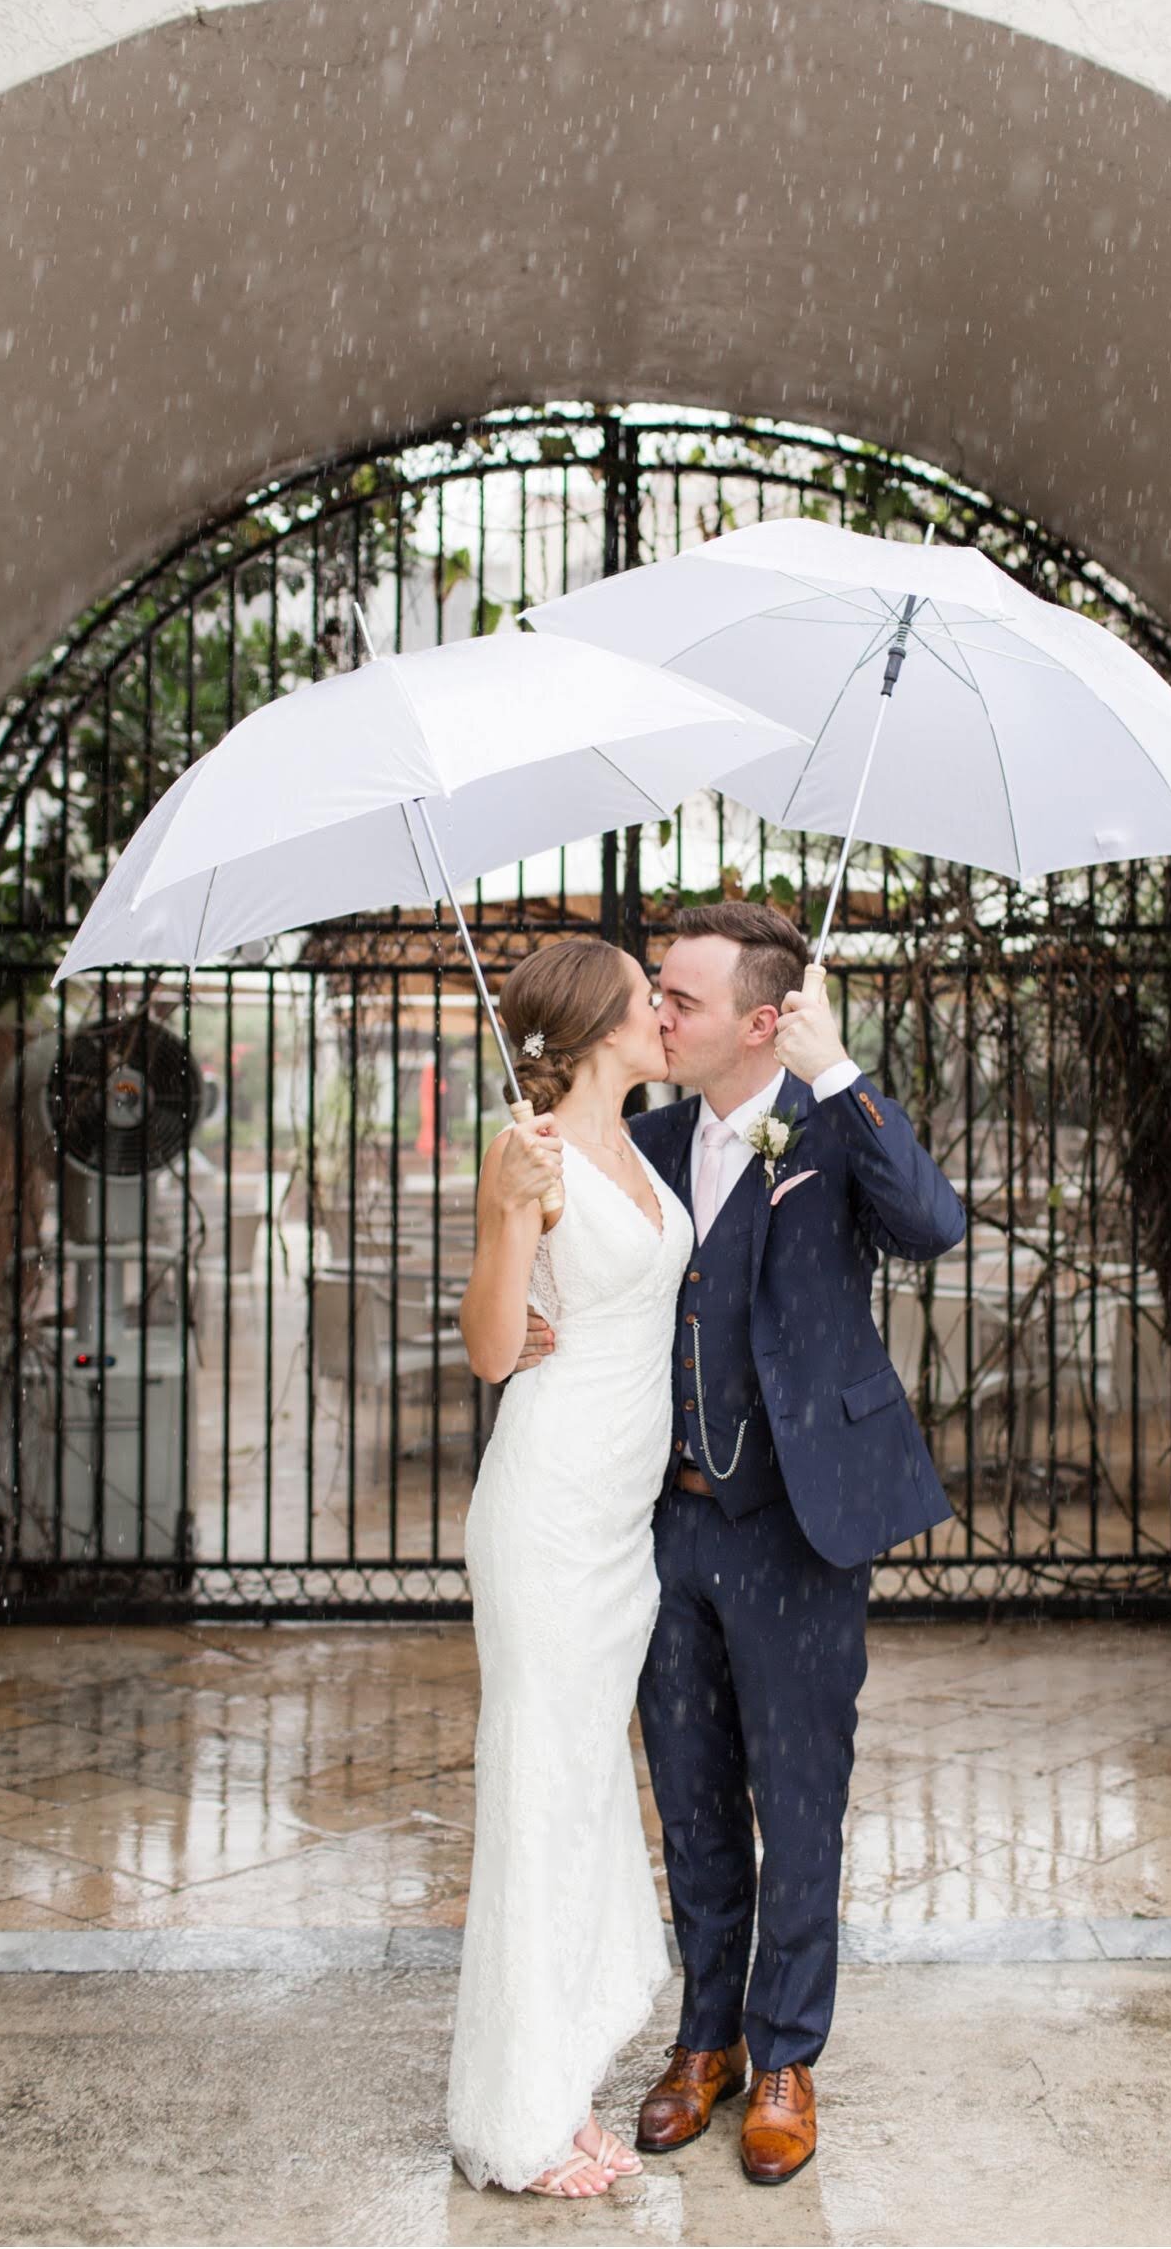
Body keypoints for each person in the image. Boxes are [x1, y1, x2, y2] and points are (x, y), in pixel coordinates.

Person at [509, 901, 965, 2187]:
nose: (656, 1013)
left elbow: (931, 1226)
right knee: (694, 1795)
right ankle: (702, 2040)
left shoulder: (829, 1123)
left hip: (799, 1523)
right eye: (655, 991)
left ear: (763, 1023)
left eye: (683, 1001)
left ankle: (784, 2057)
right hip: (657, 1522)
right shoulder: (636, 1136)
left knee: (798, 1794)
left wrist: (839, 1070)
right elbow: (570, 1279)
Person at [445, 934, 694, 2199]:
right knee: (538, 1799)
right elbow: (492, 1349)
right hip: (544, 1514)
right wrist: (504, 1212)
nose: (667, 1014)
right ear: (601, 1022)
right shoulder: (527, 1156)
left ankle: (566, 2078)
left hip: (618, 1528)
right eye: (649, 1000)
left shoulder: (637, 1152)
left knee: (585, 1795)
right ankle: (519, 2118)